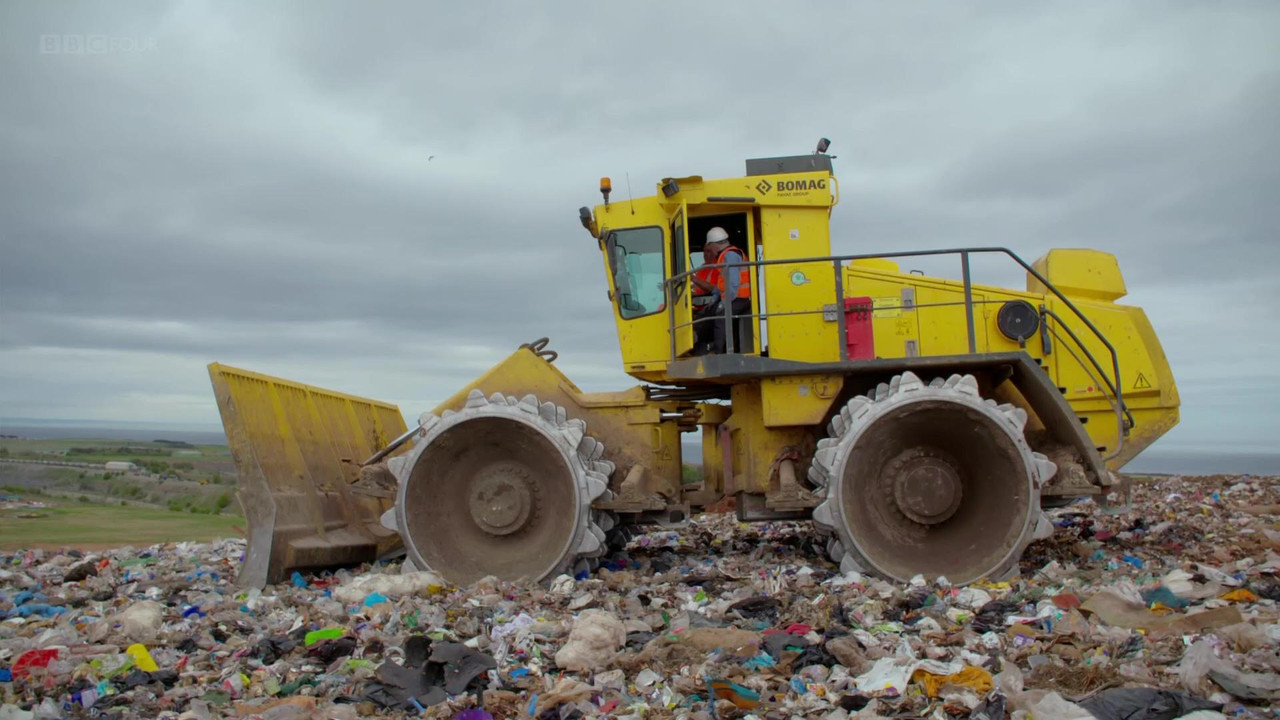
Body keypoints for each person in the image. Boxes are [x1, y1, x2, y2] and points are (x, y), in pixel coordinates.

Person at [697, 227, 751, 354]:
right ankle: (702, 346)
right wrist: (716, 297)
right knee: (708, 312)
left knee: (721, 315)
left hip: (740, 298)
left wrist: (724, 302)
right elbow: (723, 283)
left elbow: (732, 282)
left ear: (714, 245)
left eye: (710, 247)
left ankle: (718, 351)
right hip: (734, 296)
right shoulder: (726, 255)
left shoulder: (730, 255)